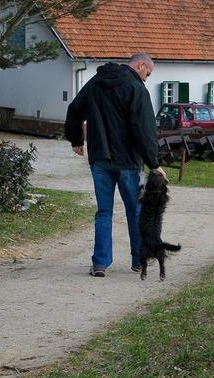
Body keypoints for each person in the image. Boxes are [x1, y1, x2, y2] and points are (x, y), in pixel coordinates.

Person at [65, 53, 167, 278]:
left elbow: (74, 109)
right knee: (136, 211)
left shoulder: (95, 83)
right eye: (147, 73)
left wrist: (75, 139)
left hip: (100, 159)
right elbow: (145, 130)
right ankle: (138, 261)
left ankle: (100, 264)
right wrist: (154, 163)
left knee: (104, 212)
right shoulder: (136, 89)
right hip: (128, 162)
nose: (147, 78)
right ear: (140, 65)